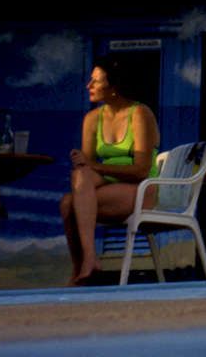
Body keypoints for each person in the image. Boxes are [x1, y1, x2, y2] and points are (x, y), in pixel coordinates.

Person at [60, 57, 161, 286]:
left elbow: (141, 170)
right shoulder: (92, 119)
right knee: (78, 179)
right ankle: (87, 264)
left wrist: (94, 166)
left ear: (113, 87)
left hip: (142, 189)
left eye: (95, 81)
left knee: (70, 204)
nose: (89, 86)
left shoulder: (139, 114)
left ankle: (83, 268)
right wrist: (87, 166)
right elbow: (86, 169)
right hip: (109, 186)